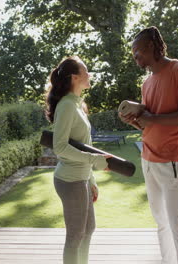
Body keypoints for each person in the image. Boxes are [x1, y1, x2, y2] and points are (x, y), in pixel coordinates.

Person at [119, 26, 178, 264]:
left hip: (171, 159)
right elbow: (150, 124)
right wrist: (136, 121)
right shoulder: (147, 83)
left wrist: (153, 119)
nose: (135, 58)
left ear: (150, 46)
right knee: (161, 223)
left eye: (137, 52)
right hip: (148, 157)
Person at [45, 56, 110, 264]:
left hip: (81, 179)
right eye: (86, 71)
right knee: (75, 236)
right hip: (69, 180)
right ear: (75, 77)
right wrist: (94, 160)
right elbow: (60, 147)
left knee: (88, 229)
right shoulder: (66, 106)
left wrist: (91, 179)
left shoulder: (77, 104)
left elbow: (83, 145)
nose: (89, 75)